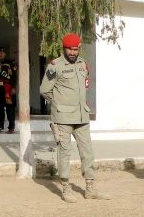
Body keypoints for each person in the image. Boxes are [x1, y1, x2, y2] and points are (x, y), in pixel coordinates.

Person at [40, 33, 110, 203]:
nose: (72, 52)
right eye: (69, 49)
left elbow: (84, 86)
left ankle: (90, 188)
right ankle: (65, 189)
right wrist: (59, 103)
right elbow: (44, 90)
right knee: (65, 153)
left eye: (75, 49)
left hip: (82, 116)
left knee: (88, 152)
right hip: (63, 118)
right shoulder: (55, 66)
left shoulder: (83, 64)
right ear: (63, 48)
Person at [0, 46, 17, 134]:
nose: (0, 54)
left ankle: (11, 127)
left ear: (4, 54)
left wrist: (13, 87)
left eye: (2, 53)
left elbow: (14, 76)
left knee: (10, 108)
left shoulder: (10, 63)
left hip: (8, 89)